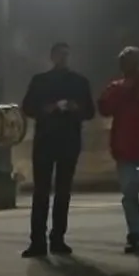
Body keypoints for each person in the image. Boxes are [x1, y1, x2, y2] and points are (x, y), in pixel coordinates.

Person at [20, 42, 95, 258]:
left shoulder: (79, 82)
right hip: (45, 140)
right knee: (41, 192)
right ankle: (37, 241)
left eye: (66, 54)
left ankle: (58, 238)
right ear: (52, 56)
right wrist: (47, 108)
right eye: (59, 54)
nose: (63, 58)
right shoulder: (40, 80)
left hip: (69, 141)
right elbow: (27, 107)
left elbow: (90, 111)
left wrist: (75, 108)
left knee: (63, 192)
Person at [97, 46, 139, 255]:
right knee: (129, 195)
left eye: (133, 61)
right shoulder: (116, 87)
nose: (129, 65)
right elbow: (104, 107)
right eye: (125, 62)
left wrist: (134, 88)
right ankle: (135, 234)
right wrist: (124, 89)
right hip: (125, 149)